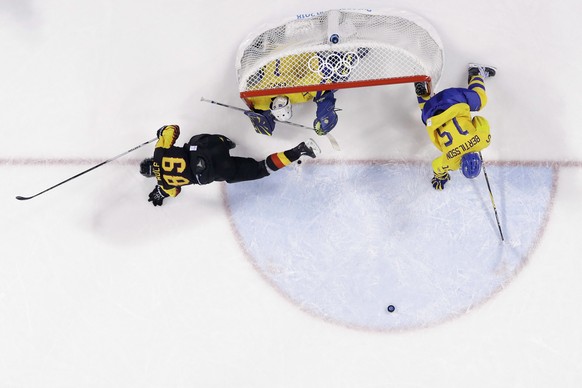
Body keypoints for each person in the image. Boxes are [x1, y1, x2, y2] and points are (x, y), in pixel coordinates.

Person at [140, 125, 319, 206]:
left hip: (218, 169)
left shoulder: (165, 184)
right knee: (196, 141)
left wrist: (160, 192)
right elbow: (173, 129)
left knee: (261, 169)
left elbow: (175, 192)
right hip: (208, 147)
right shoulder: (159, 151)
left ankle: (299, 150)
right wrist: (161, 132)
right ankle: (224, 142)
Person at [414, 63, 497, 190]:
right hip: (431, 115)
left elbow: (479, 120)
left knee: (481, 101)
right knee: (428, 113)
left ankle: (476, 74)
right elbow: (436, 165)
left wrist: (477, 138)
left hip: (454, 100)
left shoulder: (483, 140)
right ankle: (423, 95)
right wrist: (440, 177)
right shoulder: (450, 163)